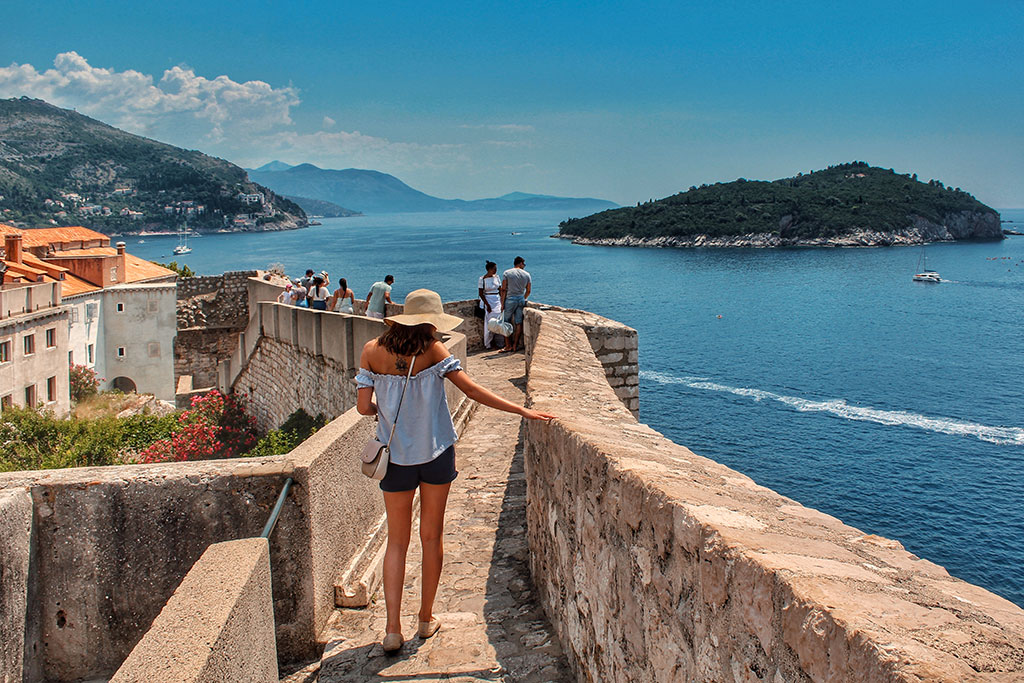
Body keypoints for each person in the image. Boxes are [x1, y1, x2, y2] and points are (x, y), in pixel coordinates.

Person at [355, 289, 555, 653]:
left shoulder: (371, 351)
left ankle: (391, 629)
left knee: (396, 542)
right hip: (434, 455)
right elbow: (473, 391)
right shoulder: (433, 351)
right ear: (431, 321)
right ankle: (425, 618)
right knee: (431, 537)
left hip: (395, 457)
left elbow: (363, 408)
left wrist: (388, 412)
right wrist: (522, 411)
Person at [499, 256, 531, 352]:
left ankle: (508, 345)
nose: (524, 266)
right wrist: (523, 298)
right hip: (520, 299)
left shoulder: (507, 273)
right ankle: (515, 345)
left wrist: (502, 303)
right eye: (523, 264)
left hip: (510, 299)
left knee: (506, 323)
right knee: (518, 323)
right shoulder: (527, 275)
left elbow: (503, 289)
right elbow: (528, 290)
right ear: (520, 263)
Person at [478, 261, 503, 350]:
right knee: (489, 322)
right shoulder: (482, 279)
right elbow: (481, 293)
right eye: (494, 269)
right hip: (488, 300)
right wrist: (487, 305)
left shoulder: (497, 277)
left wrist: (502, 301)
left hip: (497, 300)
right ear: (489, 269)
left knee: (498, 321)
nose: (495, 270)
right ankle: (490, 342)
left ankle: (500, 341)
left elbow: (500, 290)